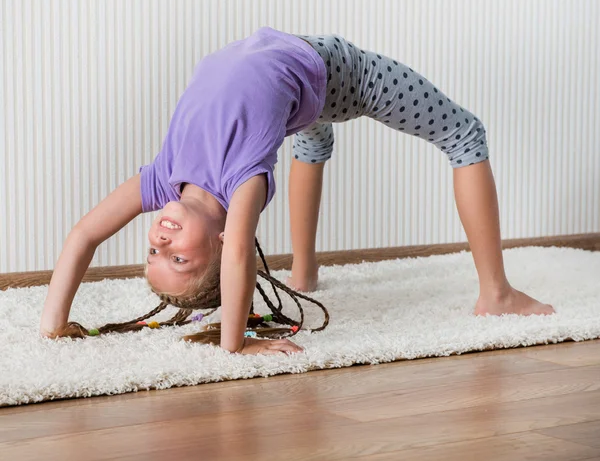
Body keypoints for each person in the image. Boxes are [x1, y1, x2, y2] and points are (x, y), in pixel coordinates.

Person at [39, 26, 554, 356]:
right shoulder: (245, 180)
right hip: (341, 73)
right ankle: (497, 295)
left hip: (296, 85)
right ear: (218, 245)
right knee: (464, 133)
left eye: (152, 251)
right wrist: (234, 346)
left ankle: (304, 272)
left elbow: (84, 234)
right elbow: (242, 250)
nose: (162, 243)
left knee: (310, 133)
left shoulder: (163, 176)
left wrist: (53, 325)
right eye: (177, 261)